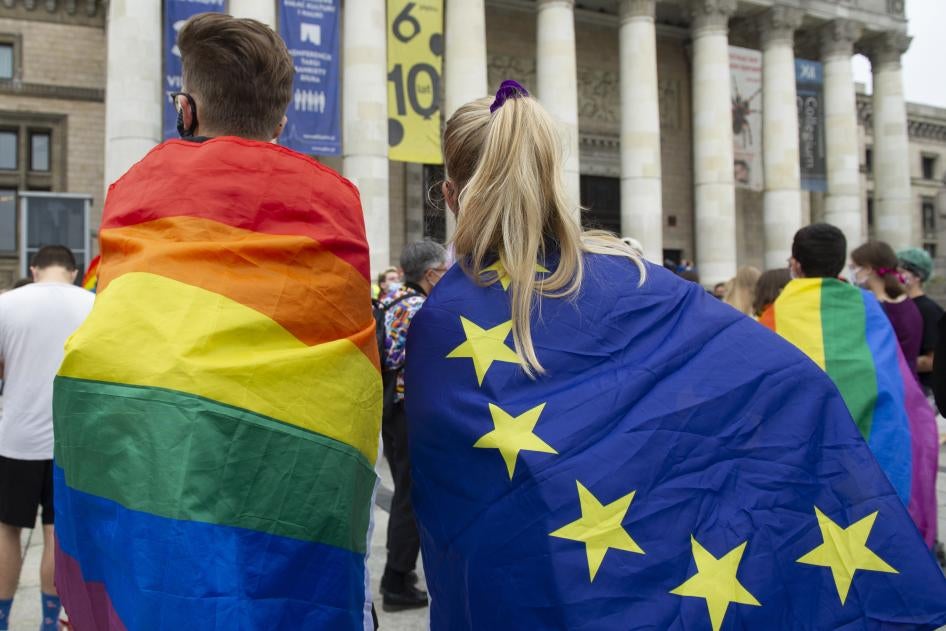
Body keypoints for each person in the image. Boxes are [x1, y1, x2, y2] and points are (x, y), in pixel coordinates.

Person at [403, 84, 946, 629]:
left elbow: (453, 501)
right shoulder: (643, 282)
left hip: (524, 593)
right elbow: (786, 381)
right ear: (550, 181)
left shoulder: (443, 321)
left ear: (450, 195)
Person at [52, 14, 381, 628]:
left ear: (188, 110)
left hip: (163, 489)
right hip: (292, 493)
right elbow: (349, 375)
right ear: (281, 121)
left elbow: (104, 361)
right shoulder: (337, 205)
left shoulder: (136, 195)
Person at [761, 224, 938, 547]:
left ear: (796, 265)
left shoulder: (773, 316)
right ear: (841, 264)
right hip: (865, 460)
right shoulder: (870, 309)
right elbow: (895, 383)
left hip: (800, 460)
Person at [0, 245, 93, 631]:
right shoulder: (94, 305)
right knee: (58, 532)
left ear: (34, 269)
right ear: (73, 271)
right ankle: (50, 622)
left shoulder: (7, 303)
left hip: (15, 437)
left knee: (6, 530)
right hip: (72, 440)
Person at [379, 240, 446, 611]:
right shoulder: (420, 308)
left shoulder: (392, 301)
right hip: (409, 409)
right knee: (411, 494)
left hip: (392, 408)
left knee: (405, 487)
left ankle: (398, 573)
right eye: (444, 269)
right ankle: (397, 579)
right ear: (431, 273)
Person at [850, 241, 923, 376]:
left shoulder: (875, 308)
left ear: (868, 269)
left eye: (854, 267)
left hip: (887, 385)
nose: (853, 273)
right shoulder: (908, 304)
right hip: (909, 383)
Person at [898, 247, 943, 394]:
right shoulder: (903, 305)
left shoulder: (929, 310)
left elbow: (933, 360)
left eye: (901, 272)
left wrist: (897, 364)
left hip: (925, 392)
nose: (896, 276)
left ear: (917, 276)